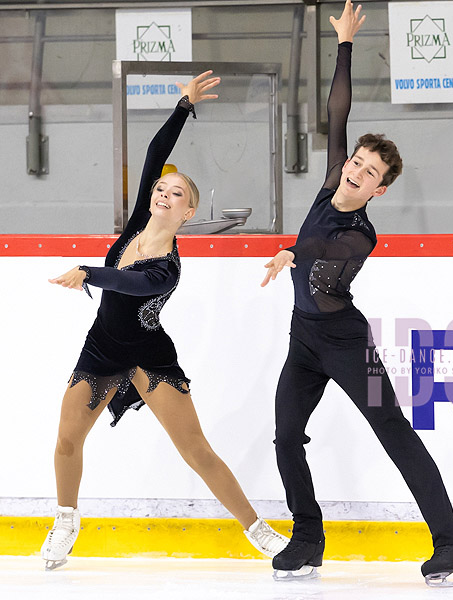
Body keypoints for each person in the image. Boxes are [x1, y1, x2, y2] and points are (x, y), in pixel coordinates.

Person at [261, 1, 453, 587]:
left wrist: (289, 252)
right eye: (355, 162)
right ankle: (307, 538)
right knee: (285, 434)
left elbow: (326, 268)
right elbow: (338, 112)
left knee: (395, 432)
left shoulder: (361, 233)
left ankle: (452, 545)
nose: (356, 172)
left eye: (368, 173)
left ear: (379, 190)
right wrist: (346, 45)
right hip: (303, 340)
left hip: (349, 345)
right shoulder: (331, 181)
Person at [42, 70, 288, 570]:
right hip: (103, 347)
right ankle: (66, 519)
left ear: (188, 212)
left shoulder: (167, 266)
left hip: (150, 355)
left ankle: (257, 529)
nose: (163, 193)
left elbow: (131, 285)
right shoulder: (136, 224)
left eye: (176, 194)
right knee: (68, 438)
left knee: (195, 450)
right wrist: (182, 105)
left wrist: (90, 271)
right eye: (161, 189)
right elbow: (155, 154)